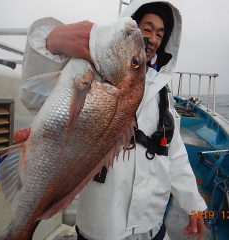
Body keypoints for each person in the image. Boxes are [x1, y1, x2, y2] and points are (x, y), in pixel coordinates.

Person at [20, 1, 207, 239]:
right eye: (146, 29)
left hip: (153, 225)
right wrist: (51, 39)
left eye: (160, 34)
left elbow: (175, 153)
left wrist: (194, 205)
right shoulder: (87, 67)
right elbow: (32, 96)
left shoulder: (162, 92)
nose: (152, 39)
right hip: (103, 228)